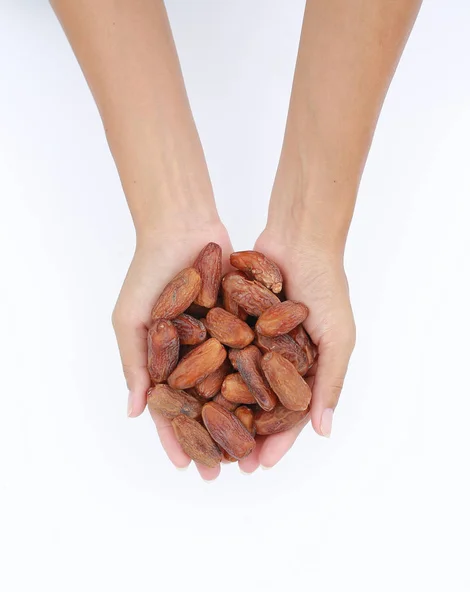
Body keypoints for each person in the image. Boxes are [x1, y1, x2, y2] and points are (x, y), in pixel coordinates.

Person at [50, 0, 422, 480]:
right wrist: (169, 213)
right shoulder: (229, 351)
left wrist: (311, 227)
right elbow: (234, 351)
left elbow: (241, 348)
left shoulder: (241, 350)